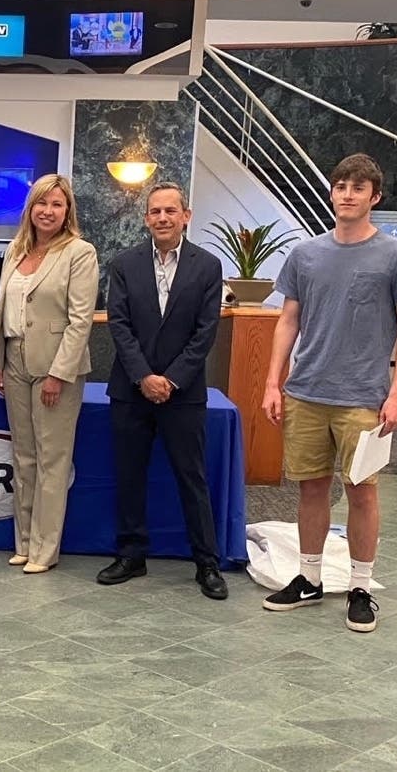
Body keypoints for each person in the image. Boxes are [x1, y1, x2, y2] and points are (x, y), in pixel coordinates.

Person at [261, 153, 397, 632]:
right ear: (332, 193)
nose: (348, 194)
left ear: (375, 197)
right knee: (311, 487)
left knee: (362, 492)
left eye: (358, 187)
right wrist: (272, 382)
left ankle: (360, 588)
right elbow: (288, 320)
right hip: (306, 391)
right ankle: (309, 578)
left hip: (364, 397)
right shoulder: (305, 254)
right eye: (341, 186)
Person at [96, 181, 228, 600]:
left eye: (171, 211)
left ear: (186, 216)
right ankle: (131, 555)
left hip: (183, 394)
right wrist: (144, 377)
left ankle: (207, 564)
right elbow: (119, 324)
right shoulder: (124, 264)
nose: (163, 218)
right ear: (146, 218)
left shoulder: (208, 266)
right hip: (131, 390)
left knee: (192, 478)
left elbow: (206, 332)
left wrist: (170, 380)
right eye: (155, 211)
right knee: (129, 475)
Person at [0, 174, 99, 573]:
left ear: (67, 211)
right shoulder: (16, 249)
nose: (48, 211)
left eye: (56, 204)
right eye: (41, 203)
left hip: (56, 368)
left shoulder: (79, 252)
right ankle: (23, 543)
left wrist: (59, 374)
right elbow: (3, 310)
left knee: (52, 459)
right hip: (15, 360)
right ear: (30, 208)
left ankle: (44, 550)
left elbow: (80, 320)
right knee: (24, 457)